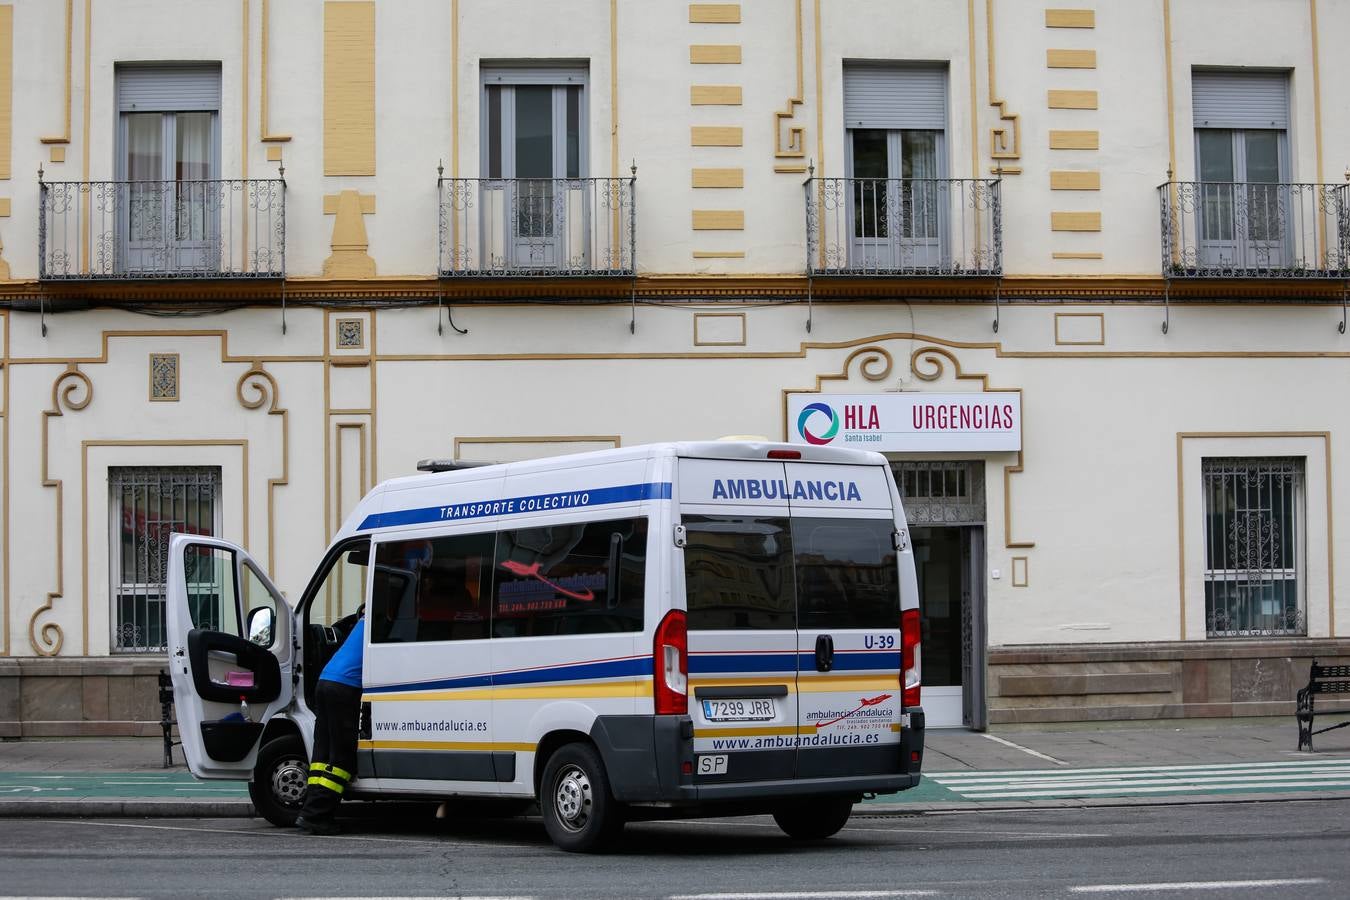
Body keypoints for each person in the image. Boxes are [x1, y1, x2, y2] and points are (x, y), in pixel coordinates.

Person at [295, 606, 365, 836]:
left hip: (325, 681)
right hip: (344, 688)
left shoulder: (361, 624)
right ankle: (317, 816)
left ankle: (310, 810)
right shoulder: (379, 623)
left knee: (322, 756)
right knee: (341, 758)